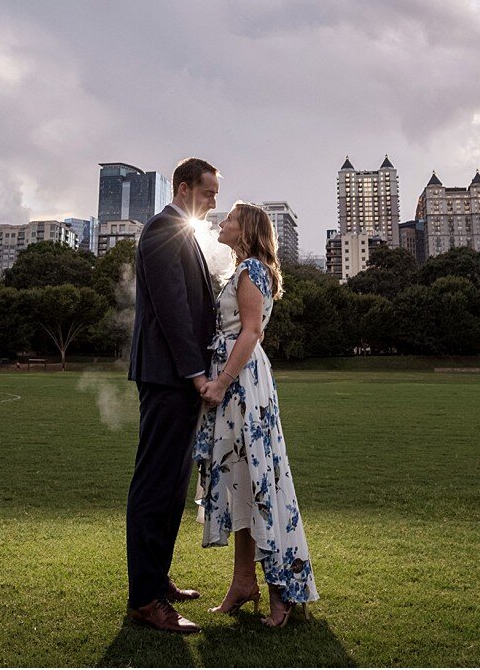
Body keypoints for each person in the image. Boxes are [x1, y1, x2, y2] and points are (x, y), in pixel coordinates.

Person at [194, 201, 319, 626]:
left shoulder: (252, 271)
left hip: (242, 383)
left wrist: (222, 381)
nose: (221, 223)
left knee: (261, 477)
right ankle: (243, 582)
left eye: (228, 219)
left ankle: (281, 591)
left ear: (244, 229)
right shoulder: (243, 270)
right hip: (238, 382)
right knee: (242, 480)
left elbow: (250, 332)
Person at [124, 157, 222, 634]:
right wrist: (197, 374)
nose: (213, 202)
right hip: (167, 377)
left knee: (171, 486)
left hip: (176, 379)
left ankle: (156, 580)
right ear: (183, 189)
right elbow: (173, 309)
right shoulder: (163, 229)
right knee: (155, 485)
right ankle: (144, 599)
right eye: (207, 193)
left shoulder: (182, 232)